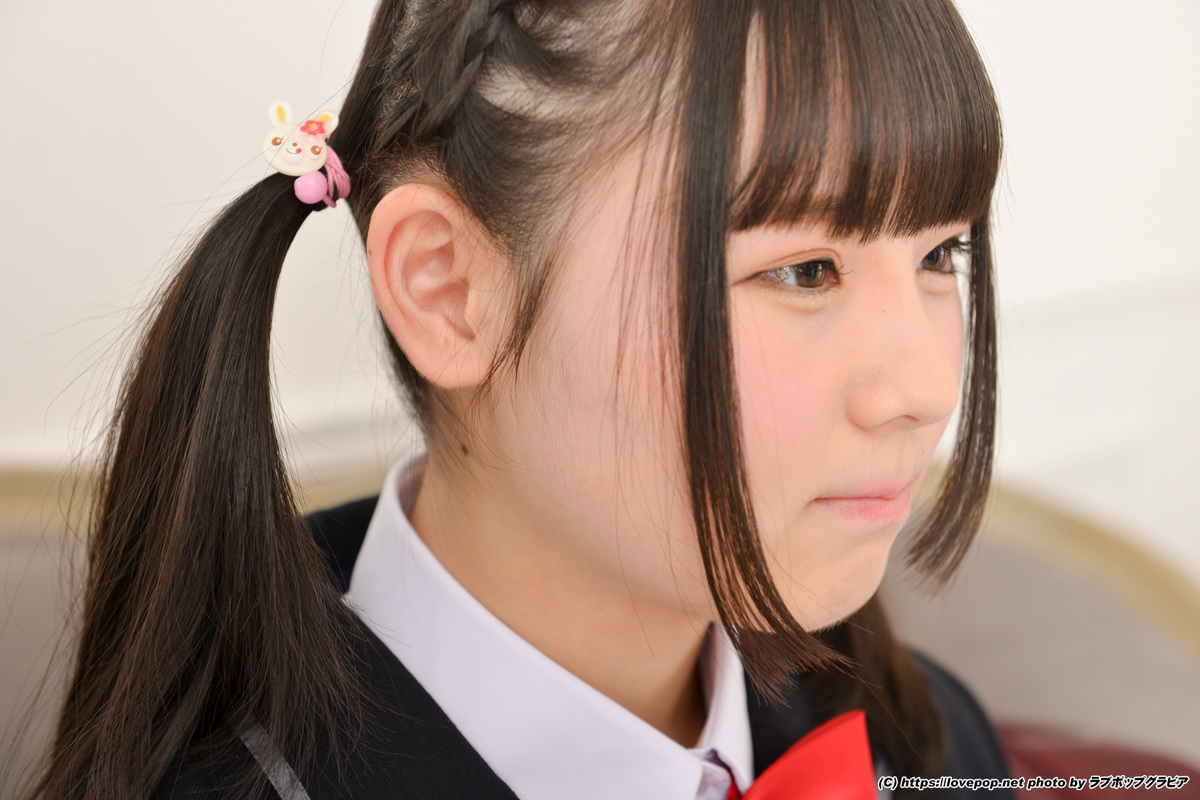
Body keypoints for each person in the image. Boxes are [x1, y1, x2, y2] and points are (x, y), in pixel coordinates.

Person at [28, 0, 1011, 797]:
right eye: (803, 270)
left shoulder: (925, 747)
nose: (926, 391)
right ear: (448, 289)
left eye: (941, 254)